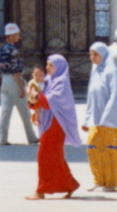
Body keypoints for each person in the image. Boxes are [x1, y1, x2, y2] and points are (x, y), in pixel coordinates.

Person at [82, 42, 117, 191]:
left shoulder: (111, 72)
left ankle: (111, 182)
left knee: (109, 151)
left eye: (96, 54)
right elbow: (91, 96)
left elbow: (116, 95)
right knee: (93, 148)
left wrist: (106, 117)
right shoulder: (95, 71)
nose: (92, 58)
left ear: (104, 55)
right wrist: (87, 118)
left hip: (110, 120)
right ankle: (98, 179)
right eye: (91, 54)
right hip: (96, 119)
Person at [24, 54, 79, 201]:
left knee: (44, 156)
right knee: (55, 156)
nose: (47, 68)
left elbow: (51, 101)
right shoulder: (49, 81)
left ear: (59, 67)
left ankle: (41, 190)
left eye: (51, 65)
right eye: (47, 65)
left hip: (57, 123)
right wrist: (33, 100)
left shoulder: (61, 83)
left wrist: (36, 96)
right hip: (48, 122)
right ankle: (69, 184)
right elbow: (39, 99)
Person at [0, 23, 36, 146]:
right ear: (11, 35)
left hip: (4, 80)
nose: (18, 37)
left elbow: (1, 66)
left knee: (5, 111)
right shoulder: (13, 49)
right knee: (24, 111)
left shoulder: (2, 49)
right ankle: (32, 137)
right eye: (17, 34)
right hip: (14, 80)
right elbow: (15, 70)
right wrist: (20, 87)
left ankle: (2, 139)